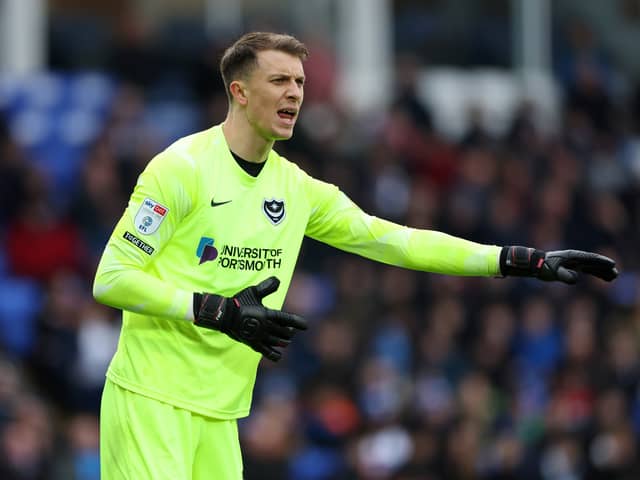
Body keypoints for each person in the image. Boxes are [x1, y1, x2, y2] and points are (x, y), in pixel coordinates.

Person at [92, 31, 618, 479]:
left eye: (300, 82)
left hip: (221, 411)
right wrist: (215, 310)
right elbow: (111, 278)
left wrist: (516, 260)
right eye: (279, 81)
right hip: (149, 398)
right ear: (240, 91)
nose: (295, 92)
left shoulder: (295, 189)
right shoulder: (180, 168)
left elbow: (396, 240)